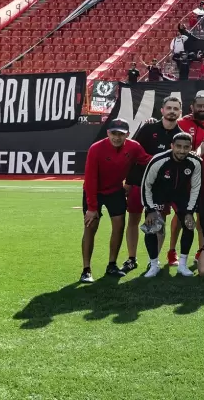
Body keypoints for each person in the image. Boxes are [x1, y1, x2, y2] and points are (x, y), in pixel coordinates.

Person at [80, 119, 152, 283]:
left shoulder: (133, 146)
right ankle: (86, 269)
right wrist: (92, 207)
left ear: (127, 134)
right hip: (94, 191)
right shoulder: (96, 148)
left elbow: (146, 159)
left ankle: (112, 264)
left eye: (121, 134)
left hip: (115, 191)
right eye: (114, 133)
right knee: (91, 227)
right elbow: (90, 179)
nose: (117, 137)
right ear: (108, 133)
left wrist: (169, 156)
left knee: (119, 226)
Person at [122, 97, 184, 273]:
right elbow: (132, 154)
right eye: (169, 108)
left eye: (176, 109)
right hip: (138, 182)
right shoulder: (148, 128)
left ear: (180, 112)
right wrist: (128, 181)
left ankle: (153, 261)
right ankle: (131, 258)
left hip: (161, 188)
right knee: (133, 219)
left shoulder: (180, 136)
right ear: (162, 110)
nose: (172, 111)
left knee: (159, 223)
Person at [140, 133, 203, 277]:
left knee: (189, 225)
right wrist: (150, 209)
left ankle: (182, 264)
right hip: (159, 194)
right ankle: (154, 265)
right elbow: (146, 185)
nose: (182, 150)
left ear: (190, 148)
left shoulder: (196, 162)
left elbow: (196, 188)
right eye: (179, 146)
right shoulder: (158, 160)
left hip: (180, 195)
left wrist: (189, 211)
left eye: (186, 147)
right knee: (152, 227)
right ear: (172, 146)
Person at [168, 94, 204, 266]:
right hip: (184, 181)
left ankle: (201, 251)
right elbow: (165, 127)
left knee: (202, 217)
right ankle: (172, 251)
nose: (202, 109)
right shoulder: (181, 123)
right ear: (192, 107)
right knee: (180, 217)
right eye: (199, 106)